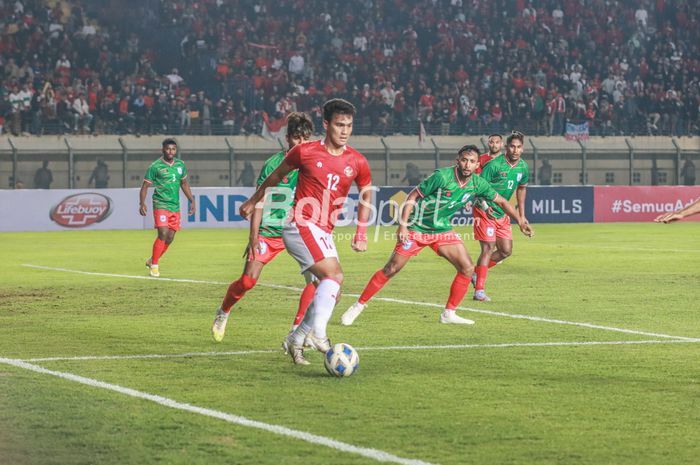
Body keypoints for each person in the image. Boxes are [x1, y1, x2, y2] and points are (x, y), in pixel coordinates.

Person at [239, 98, 373, 365]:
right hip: (299, 223)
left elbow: (366, 193)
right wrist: (253, 201)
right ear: (326, 125)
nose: (344, 130)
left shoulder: (357, 161)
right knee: (333, 276)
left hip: (323, 230)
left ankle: (296, 337)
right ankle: (319, 335)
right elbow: (275, 177)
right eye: (339, 124)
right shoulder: (305, 152)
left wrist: (361, 231)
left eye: (349, 125)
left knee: (333, 289)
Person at [341, 145, 533, 326]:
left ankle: (449, 313)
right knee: (392, 268)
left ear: (477, 165)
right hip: (417, 227)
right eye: (464, 160)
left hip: (442, 230)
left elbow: (501, 201)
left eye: (472, 161)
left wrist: (520, 220)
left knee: (466, 268)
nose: (467, 165)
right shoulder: (442, 176)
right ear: (458, 161)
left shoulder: (477, 182)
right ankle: (358, 305)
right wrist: (403, 226)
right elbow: (412, 196)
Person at [211, 112, 317, 342]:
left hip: (299, 231)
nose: (301, 143)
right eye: (297, 138)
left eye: (305, 139)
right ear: (287, 138)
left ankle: (297, 332)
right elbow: (259, 200)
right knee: (248, 281)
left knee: (317, 281)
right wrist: (253, 237)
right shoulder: (273, 165)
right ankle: (223, 312)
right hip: (269, 232)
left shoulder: (312, 164)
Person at [471, 130, 532, 301]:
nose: (515, 150)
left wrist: (522, 215)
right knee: (488, 248)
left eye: (518, 147)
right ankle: (479, 291)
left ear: (522, 149)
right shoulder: (494, 165)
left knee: (505, 251)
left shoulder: (523, 167)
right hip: (485, 210)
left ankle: (474, 273)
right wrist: (484, 205)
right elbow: (477, 187)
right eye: (512, 146)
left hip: (502, 211)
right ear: (506, 147)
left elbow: (521, 189)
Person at [139, 138, 196, 277]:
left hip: (174, 206)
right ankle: (155, 266)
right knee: (163, 233)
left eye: (173, 149)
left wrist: (192, 200)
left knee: (170, 237)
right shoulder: (155, 166)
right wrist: (142, 203)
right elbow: (145, 186)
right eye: (168, 149)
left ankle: (152, 259)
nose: (170, 151)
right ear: (163, 150)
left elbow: (184, 184)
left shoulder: (180, 165)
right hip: (160, 204)